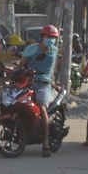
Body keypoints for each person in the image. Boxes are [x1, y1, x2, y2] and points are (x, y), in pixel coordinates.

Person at [16, 24, 59, 157]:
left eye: (53, 37)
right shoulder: (31, 49)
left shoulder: (54, 50)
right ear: (42, 37)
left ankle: (45, 141)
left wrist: (53, 81)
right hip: (28, 82)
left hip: (43, 85)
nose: (50, 39)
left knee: (42, 108)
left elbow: (53, 68)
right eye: (48, 36)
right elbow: (20, 66)